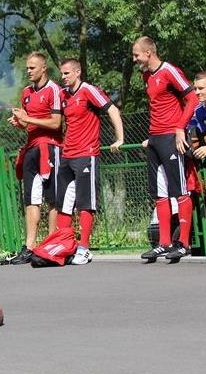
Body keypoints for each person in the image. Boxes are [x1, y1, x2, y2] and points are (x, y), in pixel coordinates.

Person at [132, 36, 199, 261]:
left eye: (136, 55)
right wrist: (150, 137)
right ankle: (164, 242)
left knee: (179, 190)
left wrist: (181, 129)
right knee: (159, 193)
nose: (135, 59)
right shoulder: (146, 76)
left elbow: (192, 99)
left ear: (148, 52)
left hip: (172, 137)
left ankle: (184, 243)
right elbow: (157, 107)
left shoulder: (169, 70)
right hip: (155, 139)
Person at [57, 58, 124, 264]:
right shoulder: (63, 95)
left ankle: (84, 248)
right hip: (67, 155)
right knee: (64, 204)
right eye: (62, 73)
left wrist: (119, 138)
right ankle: (66, 246)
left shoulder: (88, 90)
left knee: (85, 202)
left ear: (77, 72)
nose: (63, 77)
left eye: (67, 73)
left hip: (86, 154)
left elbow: (112, 109)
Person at [8, 52, 64, 264]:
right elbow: (28, 124)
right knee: (31, 199)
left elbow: (56, 123)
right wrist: (20, 122)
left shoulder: (54, 90)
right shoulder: (26, 93)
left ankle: (50, 243)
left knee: (53, 199)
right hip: (31, 148)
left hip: (50, 148)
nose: (29, 71)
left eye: (32, 68)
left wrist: (27, 118)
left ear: (43, 68)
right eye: (27, 68)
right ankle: (29, 246)